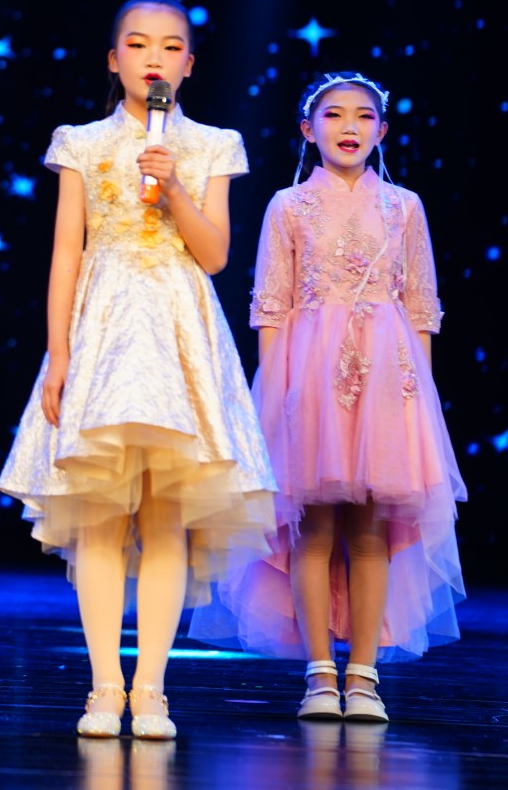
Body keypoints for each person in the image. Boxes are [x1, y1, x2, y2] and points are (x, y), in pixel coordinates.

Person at [0, 0, 277, 741]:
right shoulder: (81, 142)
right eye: (139, 44)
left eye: (170, 46)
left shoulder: (213, 143)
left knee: (166, 518)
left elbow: (214, 255)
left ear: (189, 64)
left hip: (180, 333)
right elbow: (67, 250)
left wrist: (174, 184)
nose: (154, 58)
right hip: (103, 329)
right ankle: (103, 686)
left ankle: (150, 689)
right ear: (113, 58)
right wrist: (58, 356)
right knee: (98, 515)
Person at [189, 72, 466, 722]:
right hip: (308, 384)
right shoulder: (289, 206)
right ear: (307, 130)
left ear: (382, 131)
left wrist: (417, 399)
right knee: (311, 529)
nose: (349, 127)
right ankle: (318, 674)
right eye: (334, 115)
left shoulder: (405, 207)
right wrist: (278, 397)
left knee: (370, 530)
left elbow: (421, 308)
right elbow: (270, 306)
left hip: (386, 384)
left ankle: (363, 676)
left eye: (363, 116)